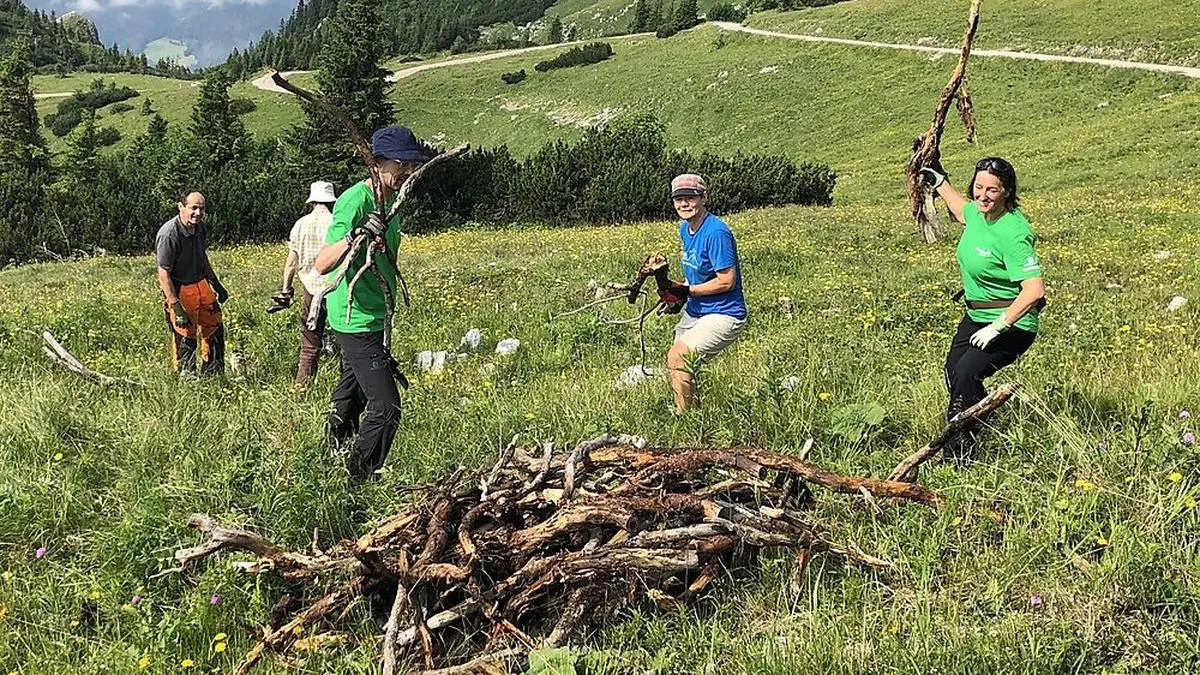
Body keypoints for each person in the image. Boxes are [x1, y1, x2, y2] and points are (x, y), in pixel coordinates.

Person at [313, 126, 427, 485]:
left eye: (413, 165)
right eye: (402, 165)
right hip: (354, 319)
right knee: (386, 405)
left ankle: (327, 455)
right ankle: (357, 479)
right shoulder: (355, 201)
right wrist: (356, 233)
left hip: (373, 316)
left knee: (353, 395)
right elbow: (322, 263)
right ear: (378, 163)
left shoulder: (392, 202)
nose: (409, 172)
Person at [921, 156, 1045, 458]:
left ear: (1006, 192)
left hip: (1012, 324)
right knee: (953, 372)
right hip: (976, 315)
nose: (983, 195)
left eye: (992, 190)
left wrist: (998, 326)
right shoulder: (978, 213)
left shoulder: (1013, 232)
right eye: (979, 187)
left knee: (965, 375)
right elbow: (961, 209)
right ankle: (981, 420)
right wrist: (940, 182)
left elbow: (1034, 290)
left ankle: (958, 452)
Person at [663, 173, 748, 415]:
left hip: (724, 313)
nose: (684, 204)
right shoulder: (685, 229)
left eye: (690, 198)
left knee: (678, 358)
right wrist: (677, 293)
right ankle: (696, 414)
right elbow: (697, 273)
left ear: (704, 198)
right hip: (697, 310)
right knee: (681, 364)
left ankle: (684, 419)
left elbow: (727, 281)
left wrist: (686, 290)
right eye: (678, 199)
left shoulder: (716, 232)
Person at [270, 180, 337, 388]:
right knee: (346, 342)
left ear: (312, 202)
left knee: (310, 343)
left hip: (311, 288)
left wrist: (286, 289)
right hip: (336, 288)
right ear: (331, 201)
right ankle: (350, 391)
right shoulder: (337, 222)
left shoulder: (301, 224)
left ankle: (302, 387)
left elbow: (292, 262)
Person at [155, 190, 229, 376]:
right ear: (181, 207)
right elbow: (163, 274)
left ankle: (213, 374)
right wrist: (175, 306)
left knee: (215, 327)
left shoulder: (199, 227)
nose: (198, 213)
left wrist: (215, 283)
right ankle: (187, 377)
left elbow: (202, 257)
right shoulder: (169, 234)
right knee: (186, 335)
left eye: (201, 209)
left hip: (201, 284)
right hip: (180, 289)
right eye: (193, 208)